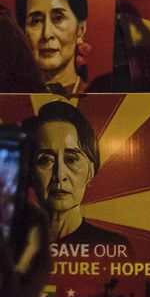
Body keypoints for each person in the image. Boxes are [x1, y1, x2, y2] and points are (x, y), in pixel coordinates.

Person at [21, 100, 128, 250]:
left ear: (90, 171)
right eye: (46, 160)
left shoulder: (112, 247)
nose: (59, 175)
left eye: (71, 159)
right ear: (30, 172)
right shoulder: (9, 246)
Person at [16, 0, 93, 96]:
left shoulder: (97, 97)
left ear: (81, 30)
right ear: (22, 32)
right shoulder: (11, 99)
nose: (46, 34)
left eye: (58, 18)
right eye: (36, 21)